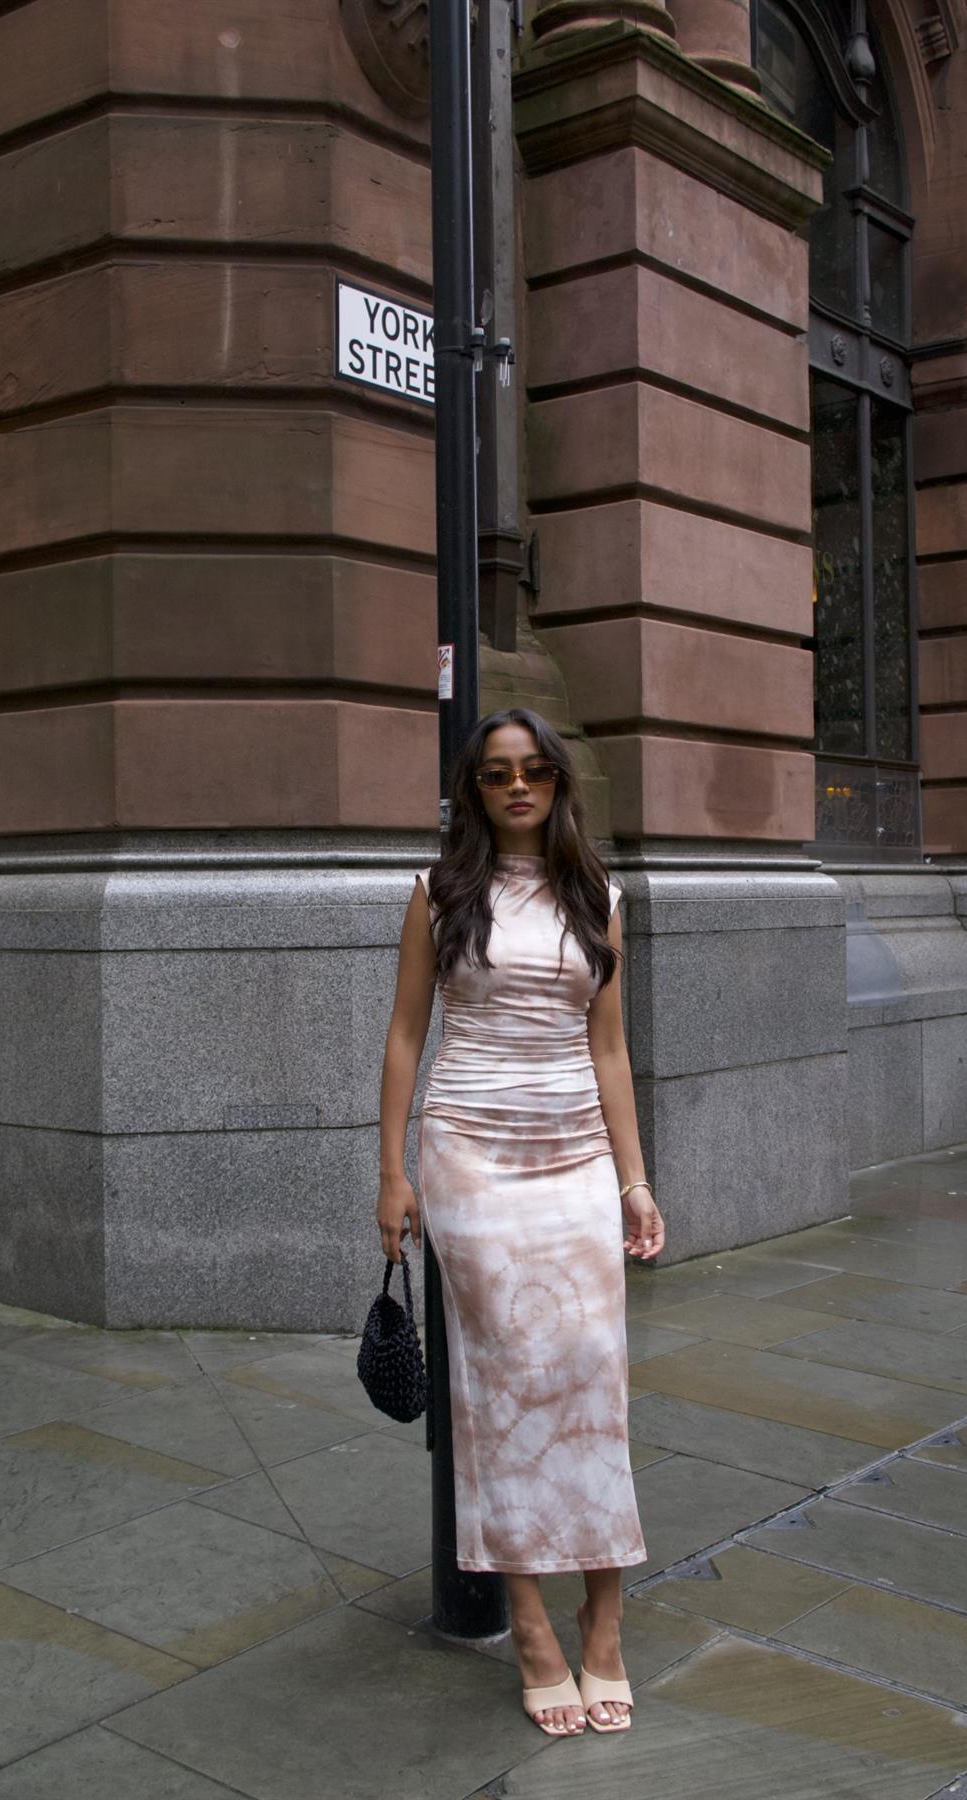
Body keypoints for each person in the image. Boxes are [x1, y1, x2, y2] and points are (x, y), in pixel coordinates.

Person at [377, 705, 665, 1739]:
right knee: (498, 1387)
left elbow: (611, 1051)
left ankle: (606, 1619)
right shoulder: (438, 894)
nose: (517, 787)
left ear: (556, 784)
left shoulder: (598, 897)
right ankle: (535, 1628)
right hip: (470, 1155)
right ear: (473, 789)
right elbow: (407, 1034)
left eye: (534, 771)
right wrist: (391, 1174)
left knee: (591, 1371)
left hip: (577, 1156)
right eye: (497, 773)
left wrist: (634, 1181)